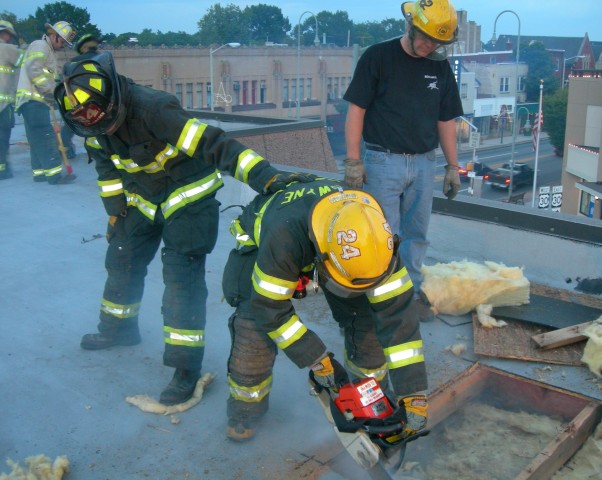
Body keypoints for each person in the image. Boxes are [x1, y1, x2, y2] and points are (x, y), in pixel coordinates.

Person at [53, 50, 308, 406]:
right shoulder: (92, 124)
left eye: (92, 112)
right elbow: (108, 171)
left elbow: (214, 145)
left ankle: (185, 368)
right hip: (143, 197)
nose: (90, 120)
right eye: (80, 117)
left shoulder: (153, 110)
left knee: (180, 284)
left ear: (109, 98)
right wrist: (115, 213)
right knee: (121, 258)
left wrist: (267, 178)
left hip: (189, 198)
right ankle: (118, 327)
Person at [221, 179, 428, 442]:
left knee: (367, 322)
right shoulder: (283, 237)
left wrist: (413, 392)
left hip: (331, 252)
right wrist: (316, 358)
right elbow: (270, 307)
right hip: (265, 249)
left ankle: (370, 401)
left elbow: (400, 323)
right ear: (323, 260)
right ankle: (245, 409)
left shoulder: (378, 241)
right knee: (254, 330)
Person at [342, 0, 463, 321]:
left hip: (425, 163)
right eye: (425, 38)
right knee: (384, 235)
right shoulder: (378, 57)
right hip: (383, 161)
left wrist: (453, 166)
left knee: (417, 234)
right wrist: (354, 162)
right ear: (410, 26)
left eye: (437, 42)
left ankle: (409, 291)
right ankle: (383, 297)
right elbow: (357, 110)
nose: (430, 46)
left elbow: (446, 119)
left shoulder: (439, 65)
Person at [15, 21, 76, 184]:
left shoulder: (47, 50)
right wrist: (48, 92)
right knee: (47, 137)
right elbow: (33, 69)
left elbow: (44, 73)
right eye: (62, 41)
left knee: (36, 140)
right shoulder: (40, 46)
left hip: (30, 103)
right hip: (34, 101)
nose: (63, 45)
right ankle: (54, 176)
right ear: (54, 36)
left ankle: (40, 173)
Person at [60, 33, 102, 159]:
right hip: (103, 103)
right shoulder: (103, 59)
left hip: (81, 104)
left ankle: (66, 150)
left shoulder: (73, 63)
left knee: (68, 124)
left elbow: (66, 86)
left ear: (82, 48)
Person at [0, 20, 22, 180]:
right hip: (3, 105)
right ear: (5, 33)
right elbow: (26, 60)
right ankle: (2, 170)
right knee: (2, 139)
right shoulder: (6, 48)